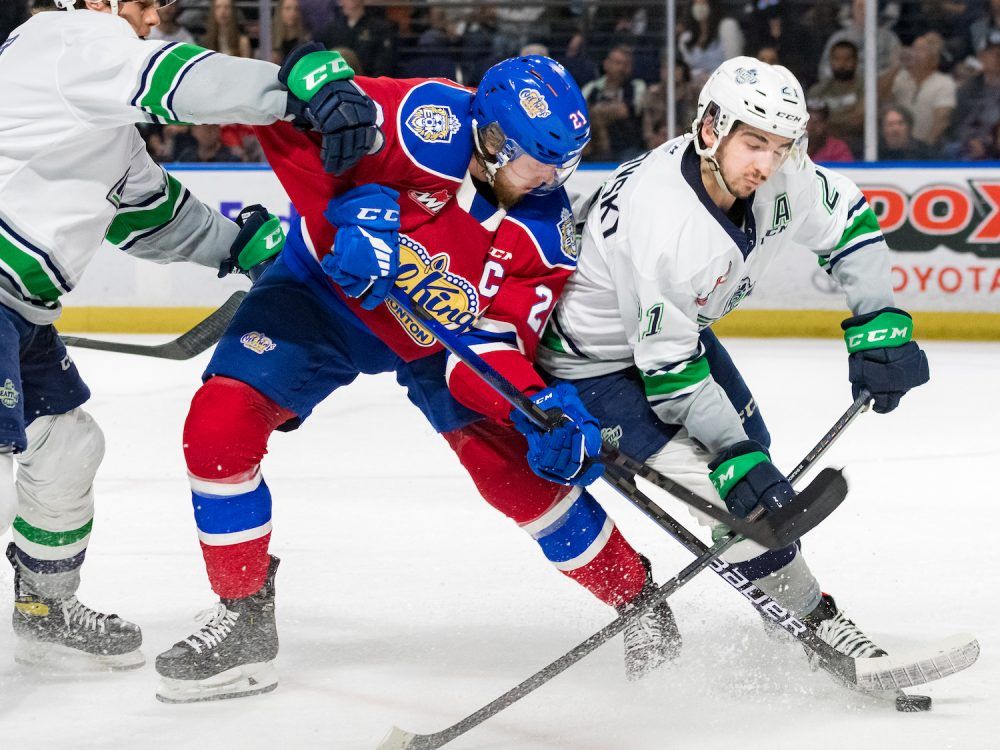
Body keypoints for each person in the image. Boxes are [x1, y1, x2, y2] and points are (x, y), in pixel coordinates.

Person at [153, 53, 680, 704]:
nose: (546, 179)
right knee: (217, 427)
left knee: (515, 478)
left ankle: (639, 598)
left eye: (562, 164)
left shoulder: (543, 236)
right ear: (489, 136)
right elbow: (296, 117)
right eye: (533, 160)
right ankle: (244, 620)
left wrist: (534, 403)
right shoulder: (425, 118)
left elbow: (488, 348)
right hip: (320, 295)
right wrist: (335, 207)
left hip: (436, 347)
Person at [0, 0, 377, 671]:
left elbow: (152, 217)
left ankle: (44, 608)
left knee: (67, 446)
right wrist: (292, 90)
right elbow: (176, 79)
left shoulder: (95, 107)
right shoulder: (71, 38)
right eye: (144, 3)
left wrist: (241, 246)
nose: (156, 15)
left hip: (20, 313)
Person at [537, 57, 930, 674]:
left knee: (754, 461)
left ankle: (781, 604)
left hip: (674, 338)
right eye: (754, 144)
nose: (767, 165)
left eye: (780, 145)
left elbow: (848, 220)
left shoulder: (774, 170)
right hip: (593, 371)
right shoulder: (664, 223)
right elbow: (670, 374)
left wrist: (877, 318)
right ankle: (813, 623)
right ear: (710, 128)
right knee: (730, 492)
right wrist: (731, 457)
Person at [807, 39, 865, 155]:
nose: (842, 64)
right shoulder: (818, 90)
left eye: (847, 59)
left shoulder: (865, 87)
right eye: (837, 59)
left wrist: (826, 122)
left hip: (858, 144)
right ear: (830, 61)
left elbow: (858, 121)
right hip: (821, 145)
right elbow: (810, 122)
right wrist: (848, 115)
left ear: (856, 61)